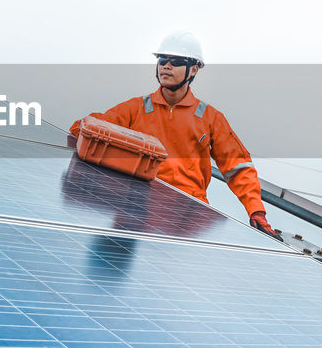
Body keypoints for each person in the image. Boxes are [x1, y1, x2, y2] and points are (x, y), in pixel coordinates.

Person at [70, 31, 283, 239]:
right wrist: (82, 128)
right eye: (162, 59)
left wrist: (256, 211)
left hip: (186, 219)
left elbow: (239, 168)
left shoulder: (210, 118)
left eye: (176, 61)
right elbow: (90, 127)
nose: (166, 66)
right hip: (137, 212)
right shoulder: (136, 109)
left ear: (194, 70)